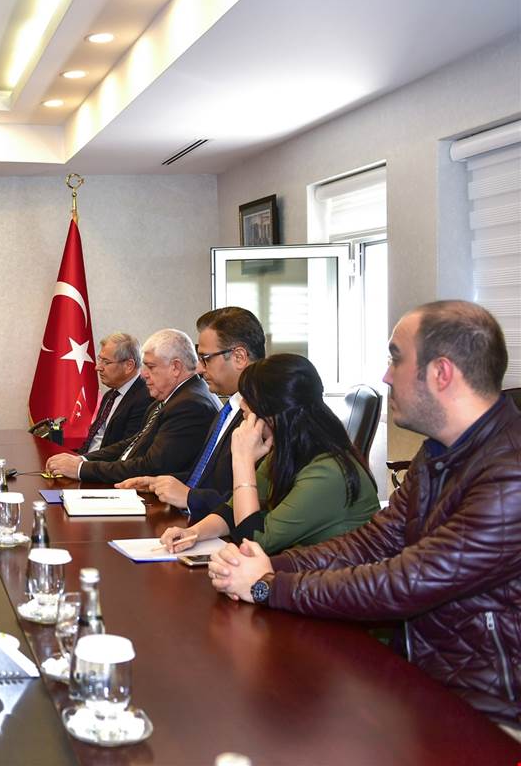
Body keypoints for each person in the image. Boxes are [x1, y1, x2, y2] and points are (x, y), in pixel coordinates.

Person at [208, 301, 521, 736]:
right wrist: (265, 566)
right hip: (426, 683)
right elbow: (374, 542)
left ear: (441, 373)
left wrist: (268, 585)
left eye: (396, 359)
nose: (386, 377)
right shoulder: (439, 453)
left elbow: (407, 580)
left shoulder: (509, 474)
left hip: (492, 715)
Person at [158, 354, 379, 555]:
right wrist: (193, 533)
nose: (242, 406)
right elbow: (233, 510)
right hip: (300, 572)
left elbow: (253, 542)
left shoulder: (327, 472)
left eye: (249, 399)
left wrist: (242, 461)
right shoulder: (285, 449)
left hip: (333, 582)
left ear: (273, 412)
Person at [121, 307, 265, 518]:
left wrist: (190, 496)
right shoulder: (230, 408)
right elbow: (207, 476)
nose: (199, 368)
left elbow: (256, 499)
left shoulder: (264, 416)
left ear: (239, 357)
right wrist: (159, 483)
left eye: (206, 358)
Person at [46, 329, 219, 483]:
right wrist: (82, 460)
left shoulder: (190, 405)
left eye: (150, 367)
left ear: (175, 367)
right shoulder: (171, 397)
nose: (143, 374)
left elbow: (152, 468)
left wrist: (81, 470)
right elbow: (134, 442)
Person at [77, 332, 151, 455]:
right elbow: (94, 439)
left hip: (103, 465)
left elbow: (126, 450)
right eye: (100, 359)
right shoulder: (110, 395)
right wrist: (76, 458)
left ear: (129, 365)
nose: (98, 367)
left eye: (106, 362)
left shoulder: (145, 398)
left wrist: (82, 462)